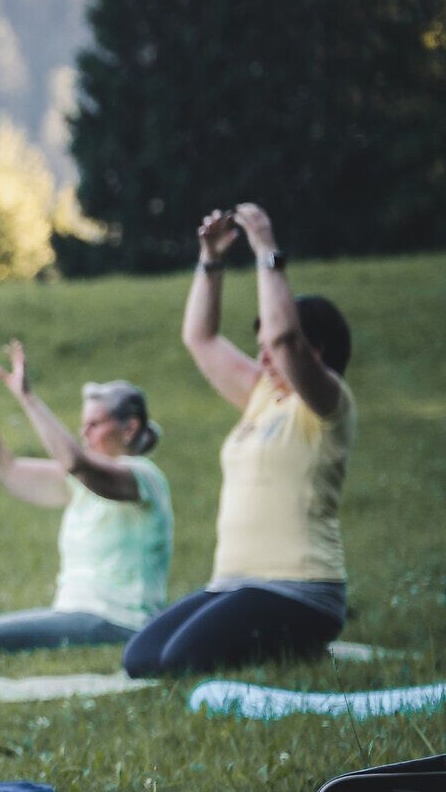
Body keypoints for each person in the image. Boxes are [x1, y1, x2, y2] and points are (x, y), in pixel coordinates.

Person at [123, 204, 356, 677]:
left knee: (182, 661)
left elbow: (285, 338)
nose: (263, 352)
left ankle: (302, 645)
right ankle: (288, 647)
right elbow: (200, 337)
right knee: (141, 659)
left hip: (299, 588)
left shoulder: (326, 403)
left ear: (319, 350)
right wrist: (210, 260)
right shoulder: (262, 397)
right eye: (259, 345)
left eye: (270, 344)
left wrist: (267, 249)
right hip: (233, 584)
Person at [0, 341, 173, 655]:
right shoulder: (78, 486)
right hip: (73, 614)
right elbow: (3, 469)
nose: (85, 434)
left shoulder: (143, 478)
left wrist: (27, 397)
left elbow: (75, 461)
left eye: (94, 424)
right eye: (83, 425)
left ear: (129, 428)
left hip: (120, 622)